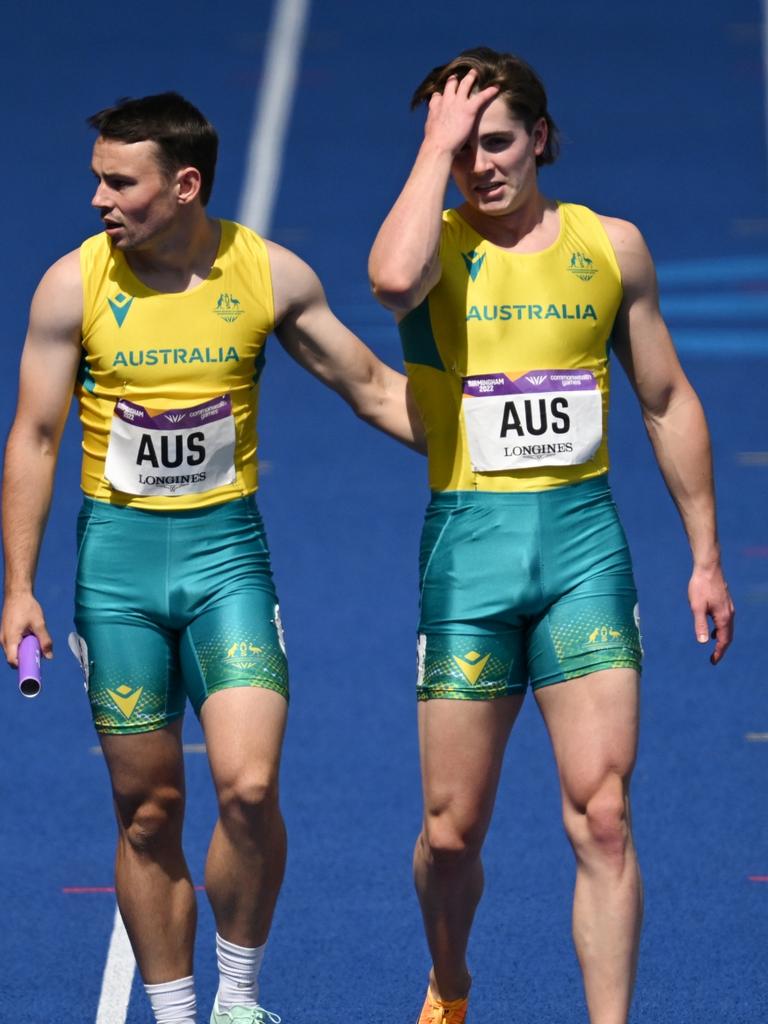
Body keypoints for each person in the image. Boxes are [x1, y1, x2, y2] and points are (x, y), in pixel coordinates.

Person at [1, 92, 423, 1024]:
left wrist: (483, 441)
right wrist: (20, 587)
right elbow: (33, 437)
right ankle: (177, 1009)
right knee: (148, 813)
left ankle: (238, 996)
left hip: (226, 556)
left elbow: (371, 388)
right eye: (97, 180)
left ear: (184, 184)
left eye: (122, 181)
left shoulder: (267, 274)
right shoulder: (72, 287)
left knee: (249, 785)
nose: (100, 200)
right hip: (116, 572)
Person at [368, 47, 734, 1024]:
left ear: (539, 138)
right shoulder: (435, 243)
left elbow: (663, 399)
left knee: (604, 815)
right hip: (468, 563)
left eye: (496, 141)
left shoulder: (611, 248)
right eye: (460, 149)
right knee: (451, 833)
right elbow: (389, 279)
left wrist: (704, 553)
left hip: (584, 558)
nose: (480, 164)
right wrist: (433, 149)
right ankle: (450, 985)